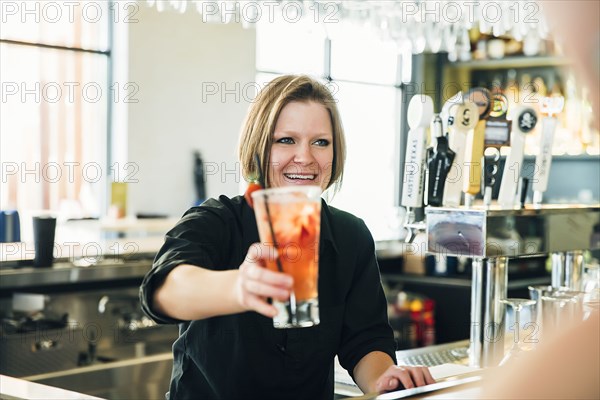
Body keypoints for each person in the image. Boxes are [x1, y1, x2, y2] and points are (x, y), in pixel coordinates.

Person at [140, 75, 435, 399]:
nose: (305, 157)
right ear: (258, 146)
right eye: (286, 140)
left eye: (320, 142)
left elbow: (365, 340)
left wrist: (384, 381)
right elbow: (163, 292)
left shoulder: (351, 236)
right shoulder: (216, 220)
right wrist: (239, 287)